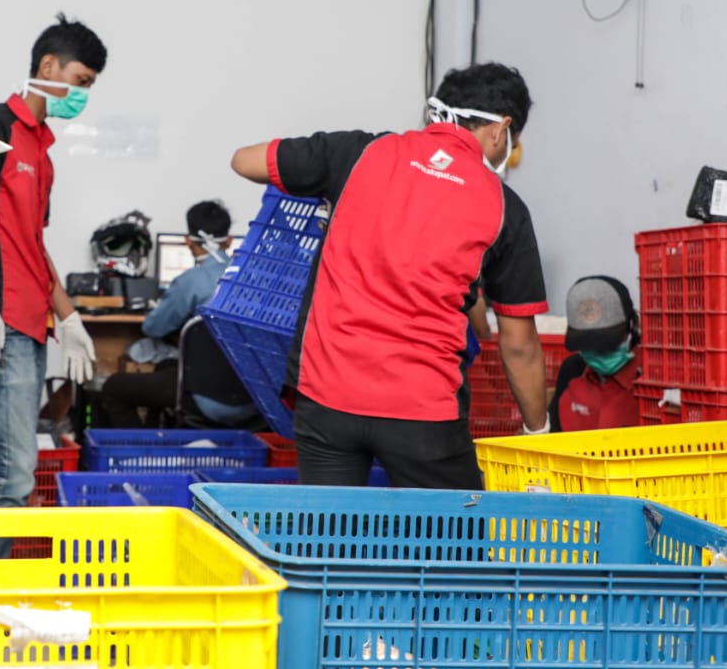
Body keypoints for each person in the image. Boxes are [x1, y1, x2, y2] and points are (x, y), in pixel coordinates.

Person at [230, 62, 550, 490]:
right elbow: (519, 345)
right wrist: (537, 433)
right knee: (451, 547)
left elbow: (244, 160)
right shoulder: (504, 207)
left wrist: (328, 199)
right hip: (423, 413)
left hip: (327, 399)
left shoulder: (358, 152)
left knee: (329, 545)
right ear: (500, 129)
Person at [0, 14, 106, 521]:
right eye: (80, 81)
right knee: (15, 471)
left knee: (10, 461)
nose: (82, 94)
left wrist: (69, 317)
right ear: (48, 66)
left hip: (31, 323)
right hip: (0, 321)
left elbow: (32, 244)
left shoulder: (43, 149)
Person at [94, 200, 258, 428]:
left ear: (188, 241)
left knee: (113, 388)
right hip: (254, 399)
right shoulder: (256, 280)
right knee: (166, 368)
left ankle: (140, 458)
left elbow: (153, 328)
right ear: (229, 241)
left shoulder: (190, 283)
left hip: (204, 397)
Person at [550, 275, 642, 432]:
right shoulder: (572, 371)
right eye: (588, 344)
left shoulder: (652, 376)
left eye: (606, 344)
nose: (598, 351)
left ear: (633, 325)